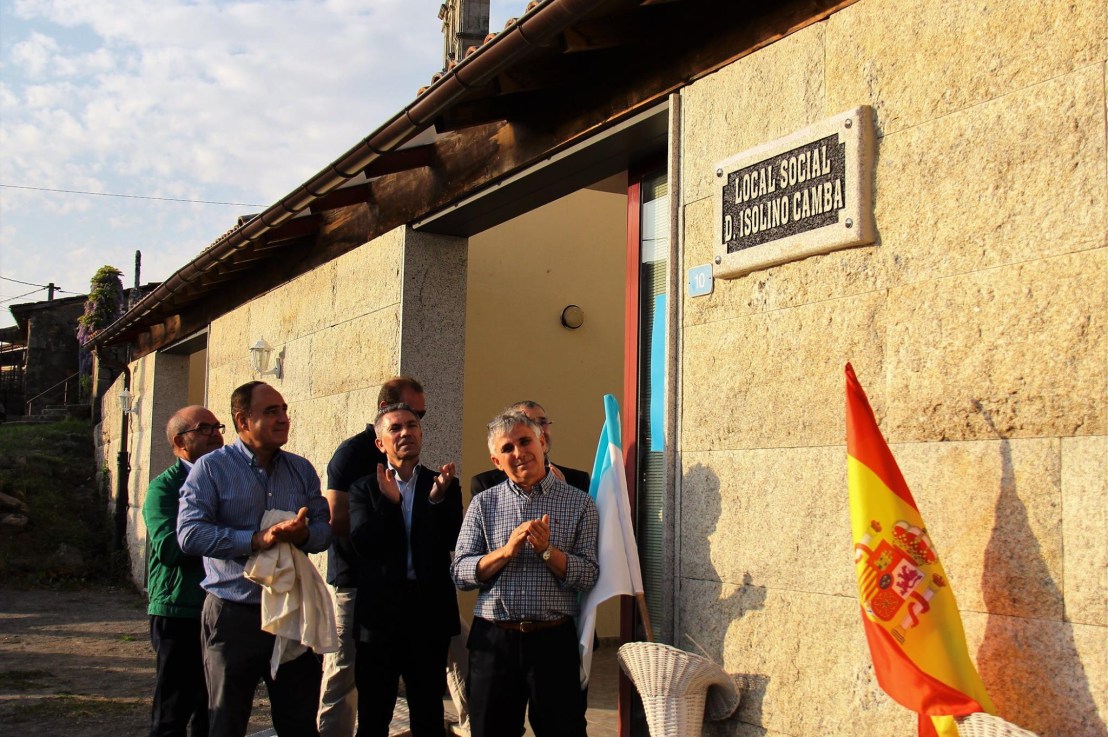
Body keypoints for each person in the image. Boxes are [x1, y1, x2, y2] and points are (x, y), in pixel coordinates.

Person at [178, 381, 331, 737]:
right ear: (242, 421)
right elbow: (189, 534)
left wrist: (303, 535)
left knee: (299, 721)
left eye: (284, 410)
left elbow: (323, 530)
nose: (284, 419)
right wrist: (255, 540)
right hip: (234, 614)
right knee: (226, 720)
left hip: (292, 612)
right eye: (271, 411)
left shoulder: (301, 469)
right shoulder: (211, 469)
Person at [451, 411, 599, 737]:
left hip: (553, 640)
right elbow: (460, 573)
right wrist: (505, 552)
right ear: (496, 460)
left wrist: (548, 552)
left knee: (564, 730)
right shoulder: (483, 504)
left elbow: (588, 574)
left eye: (525, 441)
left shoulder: (580, 504)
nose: (518, 453)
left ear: (542, 442)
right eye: (507, 448)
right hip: (493, 640)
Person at [319, 376, 426, 737]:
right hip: (358, 581)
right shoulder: (352, 455)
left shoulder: (426, 473)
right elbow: (339, 521)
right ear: (385, 413)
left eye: (417, 419)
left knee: (453, 651)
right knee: (344, 670)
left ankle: (470, 723)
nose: (412, 427)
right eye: (410, 414)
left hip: (412, 589)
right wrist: (386, 508)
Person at [348, 403, 462, 736]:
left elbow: (455, 539)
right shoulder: (364, 488)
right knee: (374, 712)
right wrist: (389, 502)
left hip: (428, 614)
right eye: (395, 428)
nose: (405, 433)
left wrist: (437, 502)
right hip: (379, 617)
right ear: (380, 442)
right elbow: (363, 545)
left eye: (412, 426)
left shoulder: (441, 484)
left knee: (427, 710)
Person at [143, 405, 225, 737]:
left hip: (221, 608)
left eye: (218, 427)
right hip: (179, 608)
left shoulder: (228, 479)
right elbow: (170, 549)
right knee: (172, 711)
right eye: (204, 429)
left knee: (214, 712)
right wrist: (229, 538)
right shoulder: (164, 488)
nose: (216, 435)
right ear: (180, 441)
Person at [470, 401, 589, 495]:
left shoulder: (578, 480)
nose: (540, 430)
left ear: (541, 442)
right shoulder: (485, 486)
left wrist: (564, 493)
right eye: (530, 423)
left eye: (543, 422)